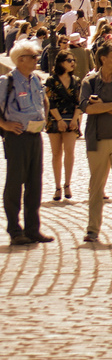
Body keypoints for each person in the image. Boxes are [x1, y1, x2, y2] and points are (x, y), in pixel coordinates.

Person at [0, 41, 53, 246]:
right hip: (17, 137)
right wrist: (4, 124)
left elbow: (44, 101)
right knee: (15, 184)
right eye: (32, 56)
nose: (36, 60)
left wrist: (45, 119)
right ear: (20, 59)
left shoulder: (36, 79)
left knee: (35, 183)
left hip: (35, 136)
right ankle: (15, 230)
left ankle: (33, 229)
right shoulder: (7, 81)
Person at [44, 51, 82, 201]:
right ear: (60, 63)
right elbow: (50, 101)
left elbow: (80, 101)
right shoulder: (51, 81)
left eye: (73, 60)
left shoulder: (77, 81)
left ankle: (67, 184)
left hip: (72, 118)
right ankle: (57, 186)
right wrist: (59, 120)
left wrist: (75, 119)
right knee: (56, 153)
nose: (72, 62)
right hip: (54, 118)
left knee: (70, 152)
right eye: (68, 60)